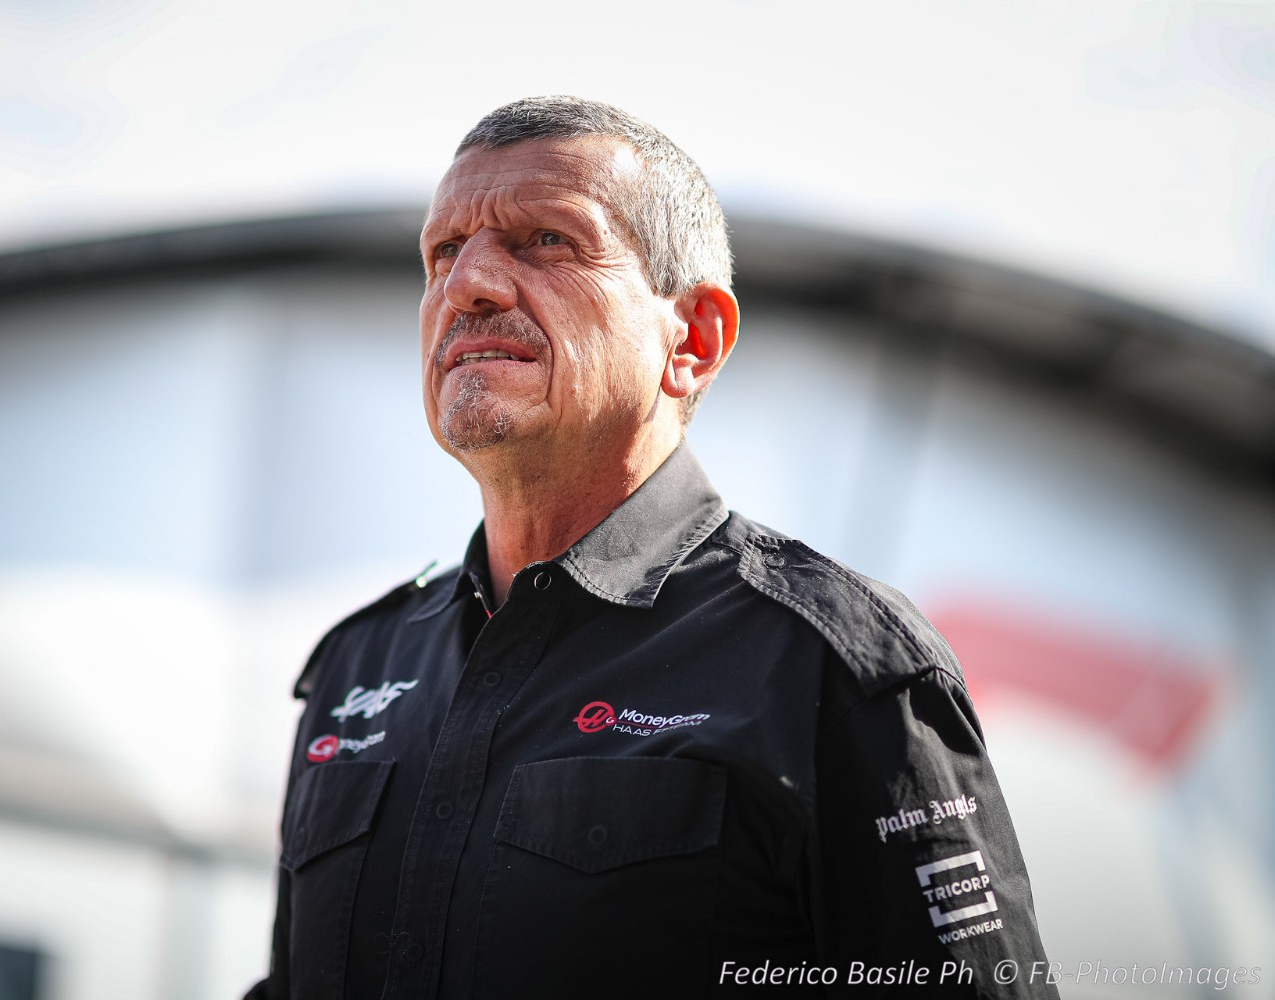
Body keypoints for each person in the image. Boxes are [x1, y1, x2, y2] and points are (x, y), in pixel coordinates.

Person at [244, 96, 1057, 999]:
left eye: (546, 240)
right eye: (442, 253)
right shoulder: (360, 664)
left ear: (694, 340)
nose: (467, 284)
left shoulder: (831, 664)